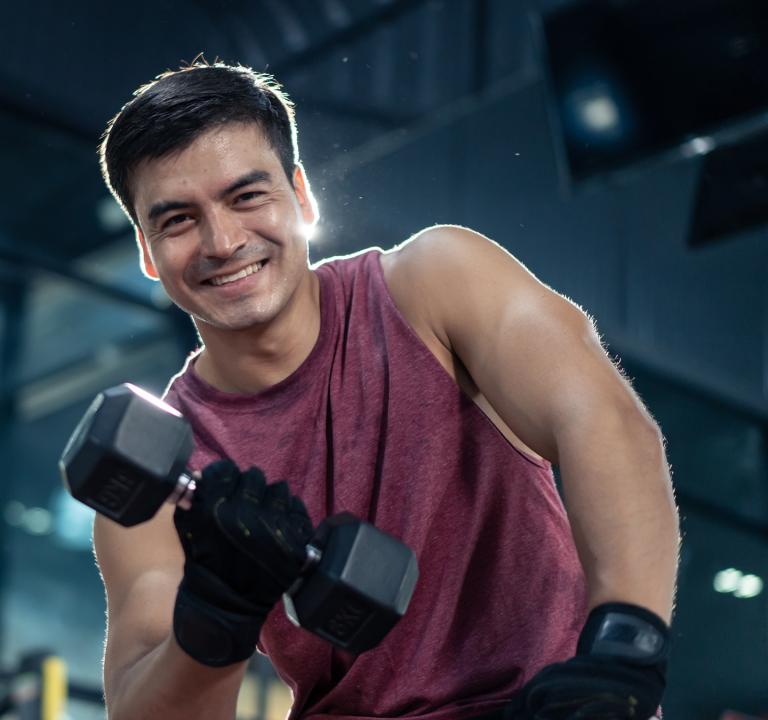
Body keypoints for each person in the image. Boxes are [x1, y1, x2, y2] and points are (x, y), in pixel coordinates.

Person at [90, 61, 679, 720]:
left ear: (301, 197)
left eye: (247, 196)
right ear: (147, 252)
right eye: (177, 221)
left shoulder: (431, 285)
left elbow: (602, 420)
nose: (223, 241)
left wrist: (624, 653)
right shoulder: (164, 463)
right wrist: (213, 619)